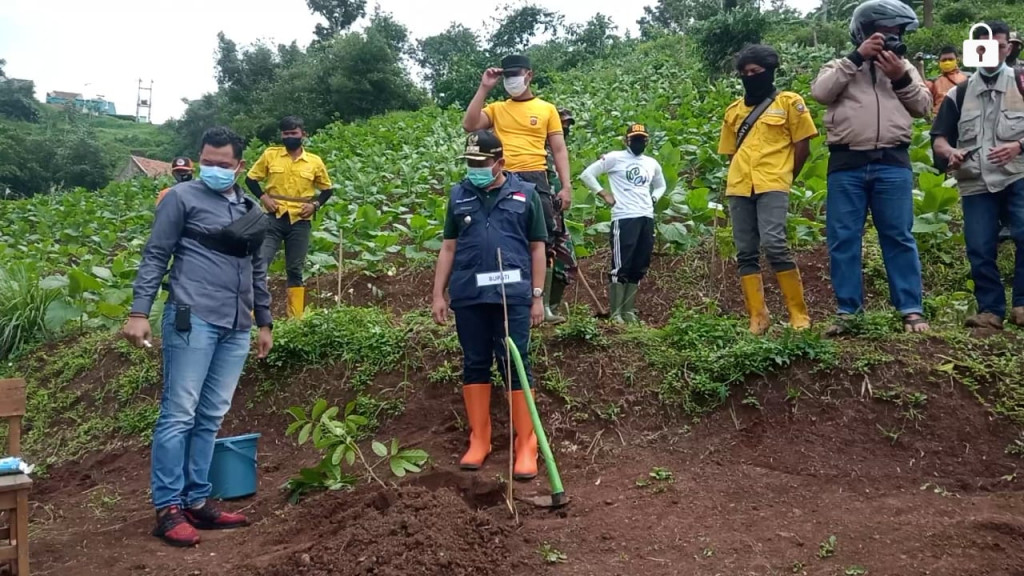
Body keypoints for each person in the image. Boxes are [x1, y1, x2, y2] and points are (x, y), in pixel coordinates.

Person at [122, 126, 274, 547]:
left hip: (237, 324)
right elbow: (156, 254)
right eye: (207, 162)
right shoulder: (180, 198)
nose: (214, 169)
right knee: (179, 413)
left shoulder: (249, 207)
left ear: (239, 166)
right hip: (192, 315)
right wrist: (139, 312)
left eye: (223, 164)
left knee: (210, 415)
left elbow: (258, 270)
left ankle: (196, 500)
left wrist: (264, 321)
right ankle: (168, 508)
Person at [810, 0, 932, 335]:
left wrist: (900, 77)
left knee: (899, 236)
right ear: (863, 33)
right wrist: (857, 58)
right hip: (846, 164)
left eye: (896, 34)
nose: (890, 40)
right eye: (883, 34)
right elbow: (821, 93)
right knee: (843, 239)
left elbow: (923, 107)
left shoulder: (905, 68)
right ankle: (848, 312)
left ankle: (910, 310)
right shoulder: (839, 65)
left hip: (892, 162)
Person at [431, 130, 547, 480]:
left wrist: (537, 296)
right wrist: (438, 294)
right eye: (470, 162)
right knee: (475, 363)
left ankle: (526, 444)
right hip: (469, 295)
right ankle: (479, 440)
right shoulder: (458, 195)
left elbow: (537, 248)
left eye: (481, 163)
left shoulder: (526, 194)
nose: (474, 168)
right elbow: (448, 247)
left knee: (515, 361)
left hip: (513, 296)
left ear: (500, 162)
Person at [462, 54, 572, 319]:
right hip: (503, 177)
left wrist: (566, 186)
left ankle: (542, 304)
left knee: (542, 239)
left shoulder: (547, 109)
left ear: (529, 75)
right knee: (503, 237)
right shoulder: (497, 109)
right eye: (507, 76)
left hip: (536, 176)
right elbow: (470, 125)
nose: (511, 80)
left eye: (515, 75)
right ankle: (505, 299)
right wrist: (484, 87)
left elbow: (559, 149)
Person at [719, 45, 819, 334]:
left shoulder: (789, 103)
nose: (749, 76)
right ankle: (758, 317)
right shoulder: (733, 111)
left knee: (774, 243)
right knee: (745, 251)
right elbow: (731, 153)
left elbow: (802, 146)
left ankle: (798, 315)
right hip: (739, 186)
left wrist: (786, 176)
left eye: (756, 71)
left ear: (770, 71)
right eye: (744, 72)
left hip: (773, 183)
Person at [931, 21, 1024, 330]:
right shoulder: (959, 93)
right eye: (984, 47)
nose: (992, 53)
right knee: (979, 246)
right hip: (976, 182)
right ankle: (990, 310)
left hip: (1018, 175)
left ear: (1008, 49)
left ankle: (1022, 305)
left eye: (999, 46)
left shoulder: (1022, 82)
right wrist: (950, 152)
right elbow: (939, 138)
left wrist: (1018, 145)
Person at [246, 116, 334, 319]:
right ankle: (251, 315)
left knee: (295, 269)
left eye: (293, 133)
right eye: (285, 134)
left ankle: (295, 319)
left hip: (300, 220)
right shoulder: (271, 155)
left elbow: (327, 190)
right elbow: (251, 179)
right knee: (260, 264)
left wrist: (314, 205)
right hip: (273, 217)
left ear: (303, 134)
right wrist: (264, 197)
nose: (289, 137)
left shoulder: (314, 161)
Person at [581, 123, 667, 324]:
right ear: (626, 140)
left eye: (642, 139)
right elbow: (587, 174)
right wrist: (604, 193)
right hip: (624, 216)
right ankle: (616, 312)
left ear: (647, 141)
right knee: (621, 265)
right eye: (634, 139)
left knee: (640, 263)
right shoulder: (614, 158)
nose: (638, 142)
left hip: (646, 216)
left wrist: (654, 198)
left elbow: (660, 185)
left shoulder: (651, 163)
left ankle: (628, 311)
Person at [541, 107, 579, 324]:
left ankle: (552, 307)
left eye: (567, 126)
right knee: (544, 258)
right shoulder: (539, 151)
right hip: (543, 216)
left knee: (567, 262)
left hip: (558, 219)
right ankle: (543, 308)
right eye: (561, 125)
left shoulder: (559, 155)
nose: (565, 130)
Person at [925, 46, 968, 116]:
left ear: (957, 60)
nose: (947, 62)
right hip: (939, 118)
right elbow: (922, 93)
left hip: (961, 117)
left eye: (950, 59)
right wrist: (920, 66)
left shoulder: (967, 79)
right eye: (944, 60)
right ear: (939, 62)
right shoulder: (935, 81)